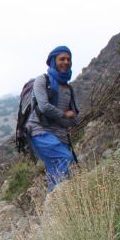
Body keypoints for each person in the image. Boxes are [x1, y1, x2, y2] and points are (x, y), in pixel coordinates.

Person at [28, 45, 79, 191]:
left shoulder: (69, 89)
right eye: (62, 58)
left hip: (60, 137)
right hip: (40, 132)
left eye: (69, 59)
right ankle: (59, 201)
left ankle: (55, 208)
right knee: (65, 159)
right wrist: (64, 114)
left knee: (56, 172)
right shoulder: (42, 80)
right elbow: (44, 107)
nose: (66, 62)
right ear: (53, 61)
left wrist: (64, 117)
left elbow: (74, 118)